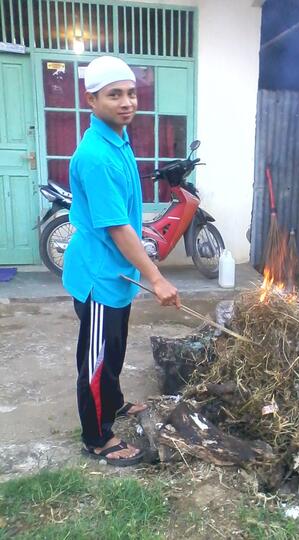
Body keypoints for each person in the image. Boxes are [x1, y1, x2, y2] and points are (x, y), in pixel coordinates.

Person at [63, 55, 180, 467]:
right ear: (91, 99)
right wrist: (157, 278)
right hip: (99, 275)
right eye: (115, 95)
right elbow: (115, 228)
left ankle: (112, 404)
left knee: (112, 348)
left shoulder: (119, 140)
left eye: (131, 93)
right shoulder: (95, 155)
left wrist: (142, 236)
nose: (127, 102)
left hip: (118, 273)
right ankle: (96, 438)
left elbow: (126, 215)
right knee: (95, 361)